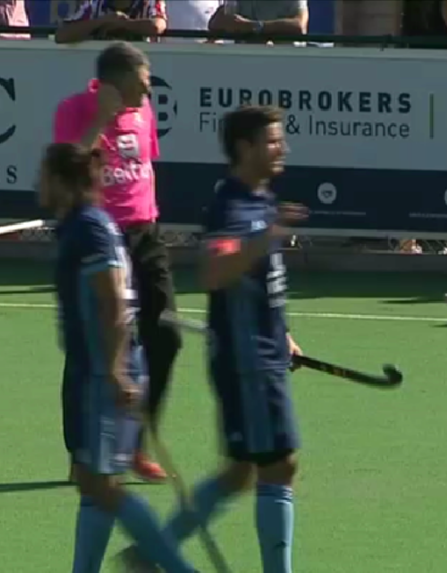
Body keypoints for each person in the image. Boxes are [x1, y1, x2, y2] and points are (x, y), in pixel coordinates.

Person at [118, 105, 307, 573]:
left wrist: (283, 333)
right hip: (247, 361)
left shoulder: (259, 199)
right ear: (245, 148)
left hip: (263, 352)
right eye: (272, 141)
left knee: (241, 471)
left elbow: (259, 283)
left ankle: (153, 554)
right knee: (279, 465)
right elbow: (215, 271)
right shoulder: (232, 206)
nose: (281, 148)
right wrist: (264, 238)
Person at [40, 142, 196, 573]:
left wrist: (114, 369)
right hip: (94, 369)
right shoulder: (82, 225)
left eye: (45, 176)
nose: (39, 184)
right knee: (94, 485)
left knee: (103, 486)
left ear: (63, 182)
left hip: (103, 373)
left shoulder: (90, 228)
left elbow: (113, 301)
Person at [54, 41, 178, 483]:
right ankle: (81, 450)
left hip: (145, 235)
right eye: (141, 81)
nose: (148, 89)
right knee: (90, 346)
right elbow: (68, 177)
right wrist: (101, 120)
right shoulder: (73, 110)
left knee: (165, 336)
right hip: (98, 240)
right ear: (115, 81)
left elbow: (147, 166)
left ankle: (135, 441)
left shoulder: (145, 112)